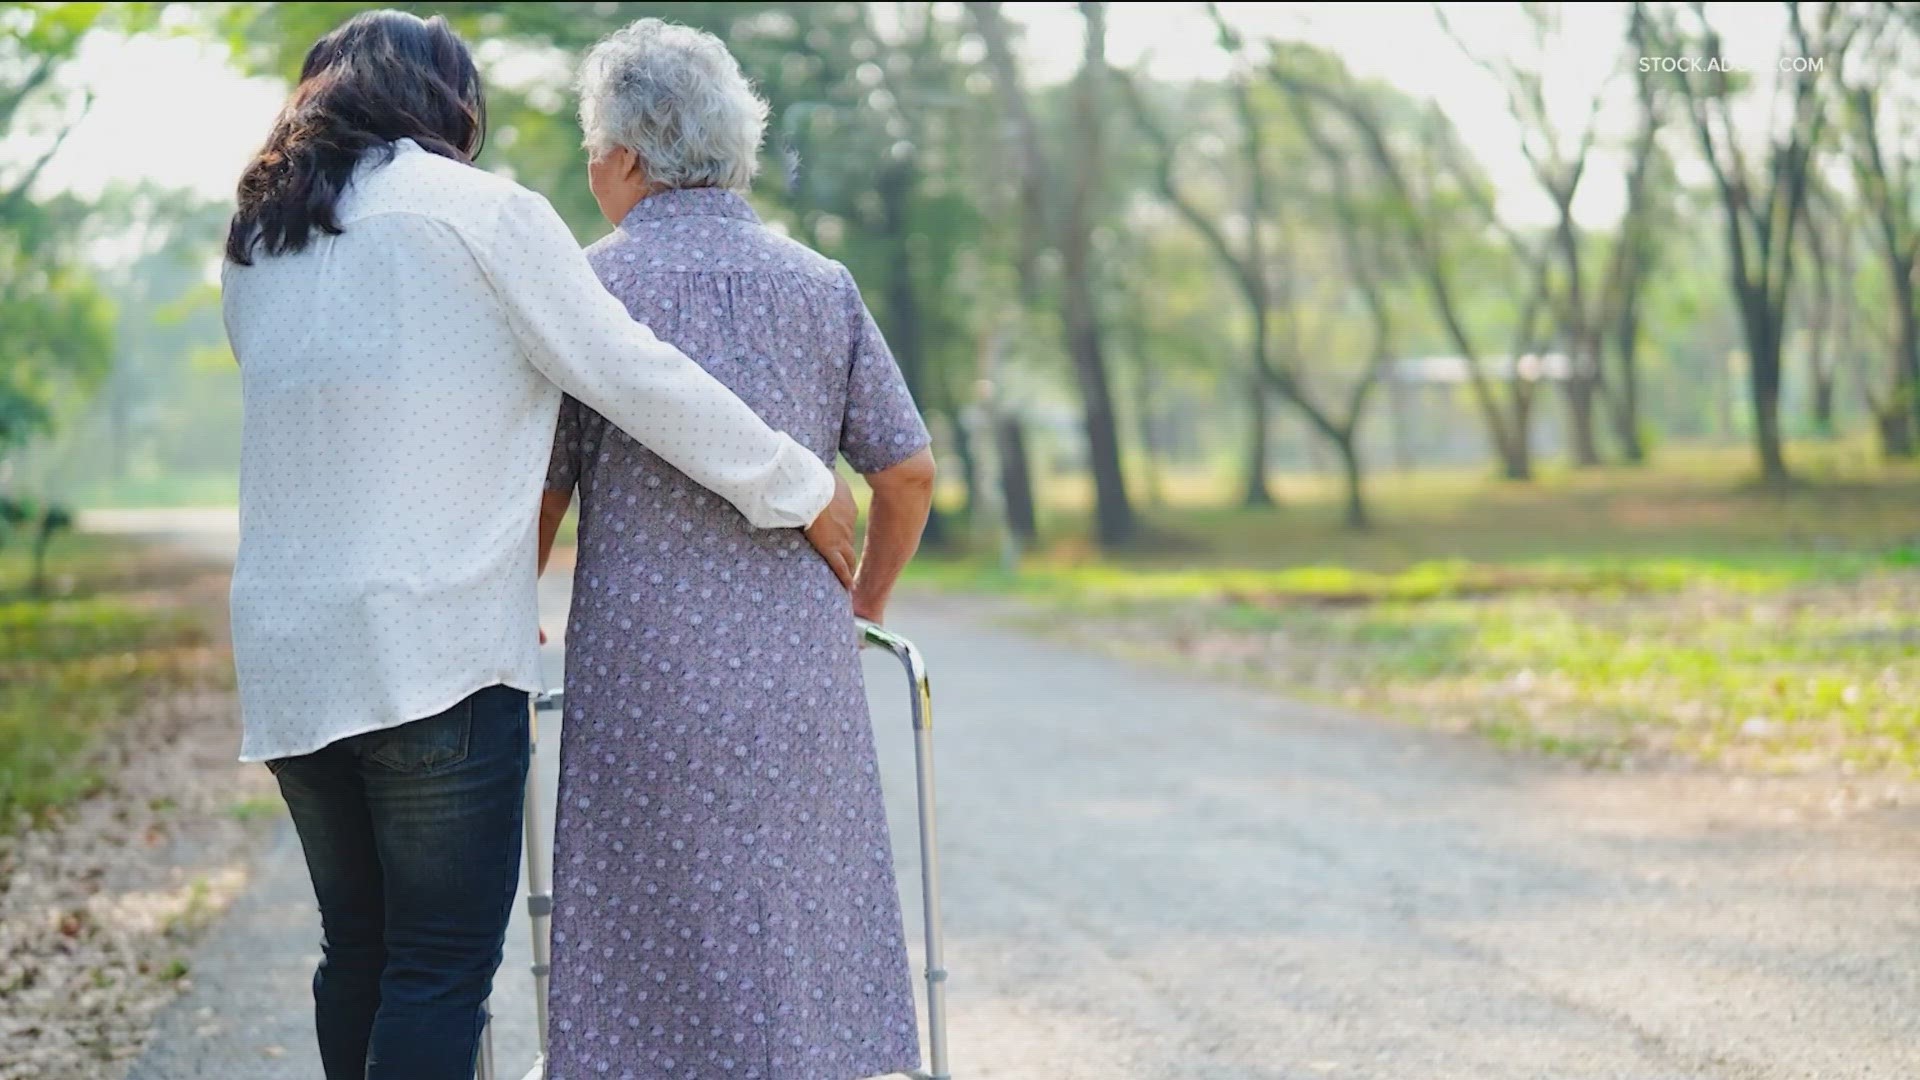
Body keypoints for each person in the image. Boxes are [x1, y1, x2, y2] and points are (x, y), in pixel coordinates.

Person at [219, 12, 858, 1080]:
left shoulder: (258, 239)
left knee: (358, 953)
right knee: (435, 968)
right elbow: (632, 373)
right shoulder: (480, 213)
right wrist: (799, 484)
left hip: (290, 652)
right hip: (434, 648)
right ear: (446, 103)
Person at [532, 18, 939, 1080]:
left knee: (647, 922)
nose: (589, 167)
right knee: (799, 918)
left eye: (593, 145)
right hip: (801, 664)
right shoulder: (821, 284)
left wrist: (502, 606)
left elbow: (542, 492)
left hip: (643, 671)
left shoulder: (583, 293)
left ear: (624, 154)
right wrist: (867, 607)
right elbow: (906, 474)